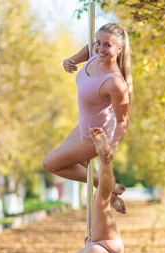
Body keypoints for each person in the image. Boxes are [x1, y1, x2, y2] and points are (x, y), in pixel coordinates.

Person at [43, 23, 132, 214]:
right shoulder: (94, 55)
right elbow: (88, 48)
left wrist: (110, 148)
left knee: (50, 164)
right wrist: (72, 60)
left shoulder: (115, 83)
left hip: (95, 137)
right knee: (76, 166)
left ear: (119, 48)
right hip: (83, 126)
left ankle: (109, 186)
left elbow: (123, 121)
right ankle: (111, 193)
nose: (100, 48)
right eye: (97, 42)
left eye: (107, 45)